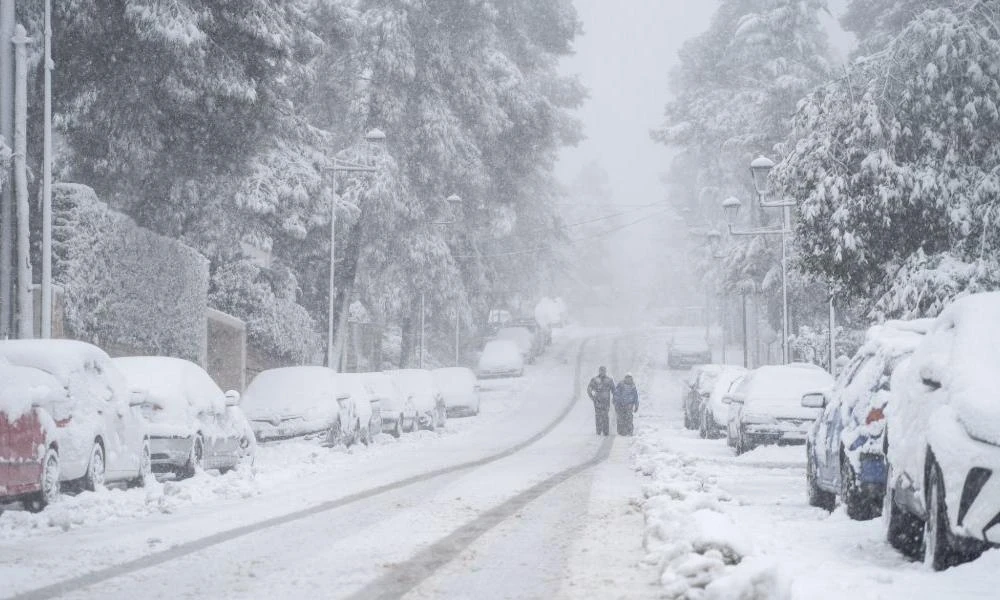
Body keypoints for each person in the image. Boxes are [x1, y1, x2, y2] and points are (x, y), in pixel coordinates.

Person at [587, 366, 615, 436]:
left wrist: (614, 398)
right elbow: (589, 389)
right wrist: (592, 397)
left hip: (606, 402)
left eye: (603, 370)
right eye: (601, 370)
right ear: (599, 371)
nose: (602, 372)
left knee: (605, 416)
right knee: (598, 416)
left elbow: (614, 390)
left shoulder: (609, 380)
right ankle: (598, 431)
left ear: (605, 371)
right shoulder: (595, 380)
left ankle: (606, 431)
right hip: (597, 401)